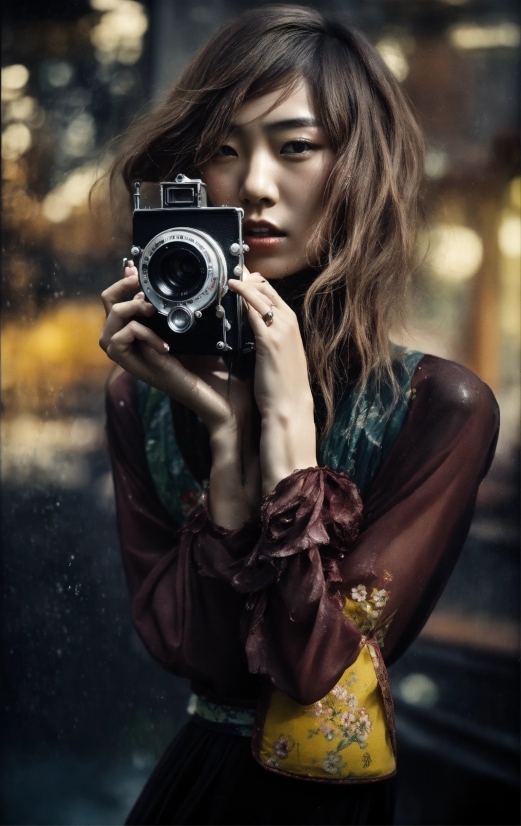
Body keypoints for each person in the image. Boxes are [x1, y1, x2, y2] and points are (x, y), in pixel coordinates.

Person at [99, 7, 499, 825]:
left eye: (295, 147)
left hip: (327, 803)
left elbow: (315, 672)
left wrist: (285, 431)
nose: (253, 185)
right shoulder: (137, 397)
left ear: (356, 168)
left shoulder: (438, 409)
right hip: (191, 794)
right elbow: (198, 661)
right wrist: (224, 438)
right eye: (222, 148)